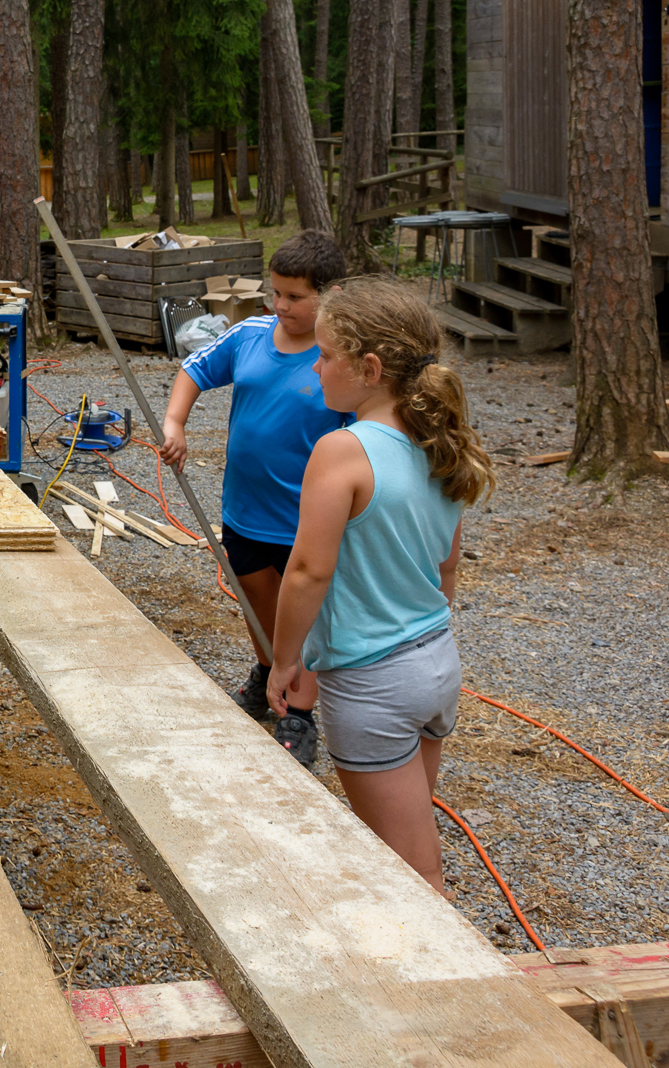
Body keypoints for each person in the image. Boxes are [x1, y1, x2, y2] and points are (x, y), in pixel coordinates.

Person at [266, 279, 493, 894]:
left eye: (325, 355)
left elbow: (308, 571)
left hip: (374, 684)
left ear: (368, 369)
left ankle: (439, 959)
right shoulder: (440, 442)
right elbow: (447, 568)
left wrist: (283, 661)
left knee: (414, 874)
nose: (315, 367)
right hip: (436, 663)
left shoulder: (342, 450)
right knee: (410, 829)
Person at [160, 230, 349, 765]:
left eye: (295, 297)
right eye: (276, 292)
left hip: (305, 522)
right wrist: (175, 423)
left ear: (331, 295)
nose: (280, 305)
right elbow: (193, 370)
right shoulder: (249, 335)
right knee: (256, 600)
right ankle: (268, 669)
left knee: (303, 616)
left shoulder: (339, 359)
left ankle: (300, 715)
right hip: (245, 511)